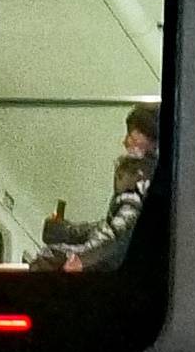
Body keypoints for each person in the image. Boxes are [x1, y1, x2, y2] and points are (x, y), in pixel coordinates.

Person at [30, 104, 159, 272]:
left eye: (131, 133)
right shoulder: (148, 177)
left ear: (148, 136)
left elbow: (117, 233)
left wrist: (80, 258)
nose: (125, 141)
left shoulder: (140, 177)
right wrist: (70, 233)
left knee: (47, 259)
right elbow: (114, 228)